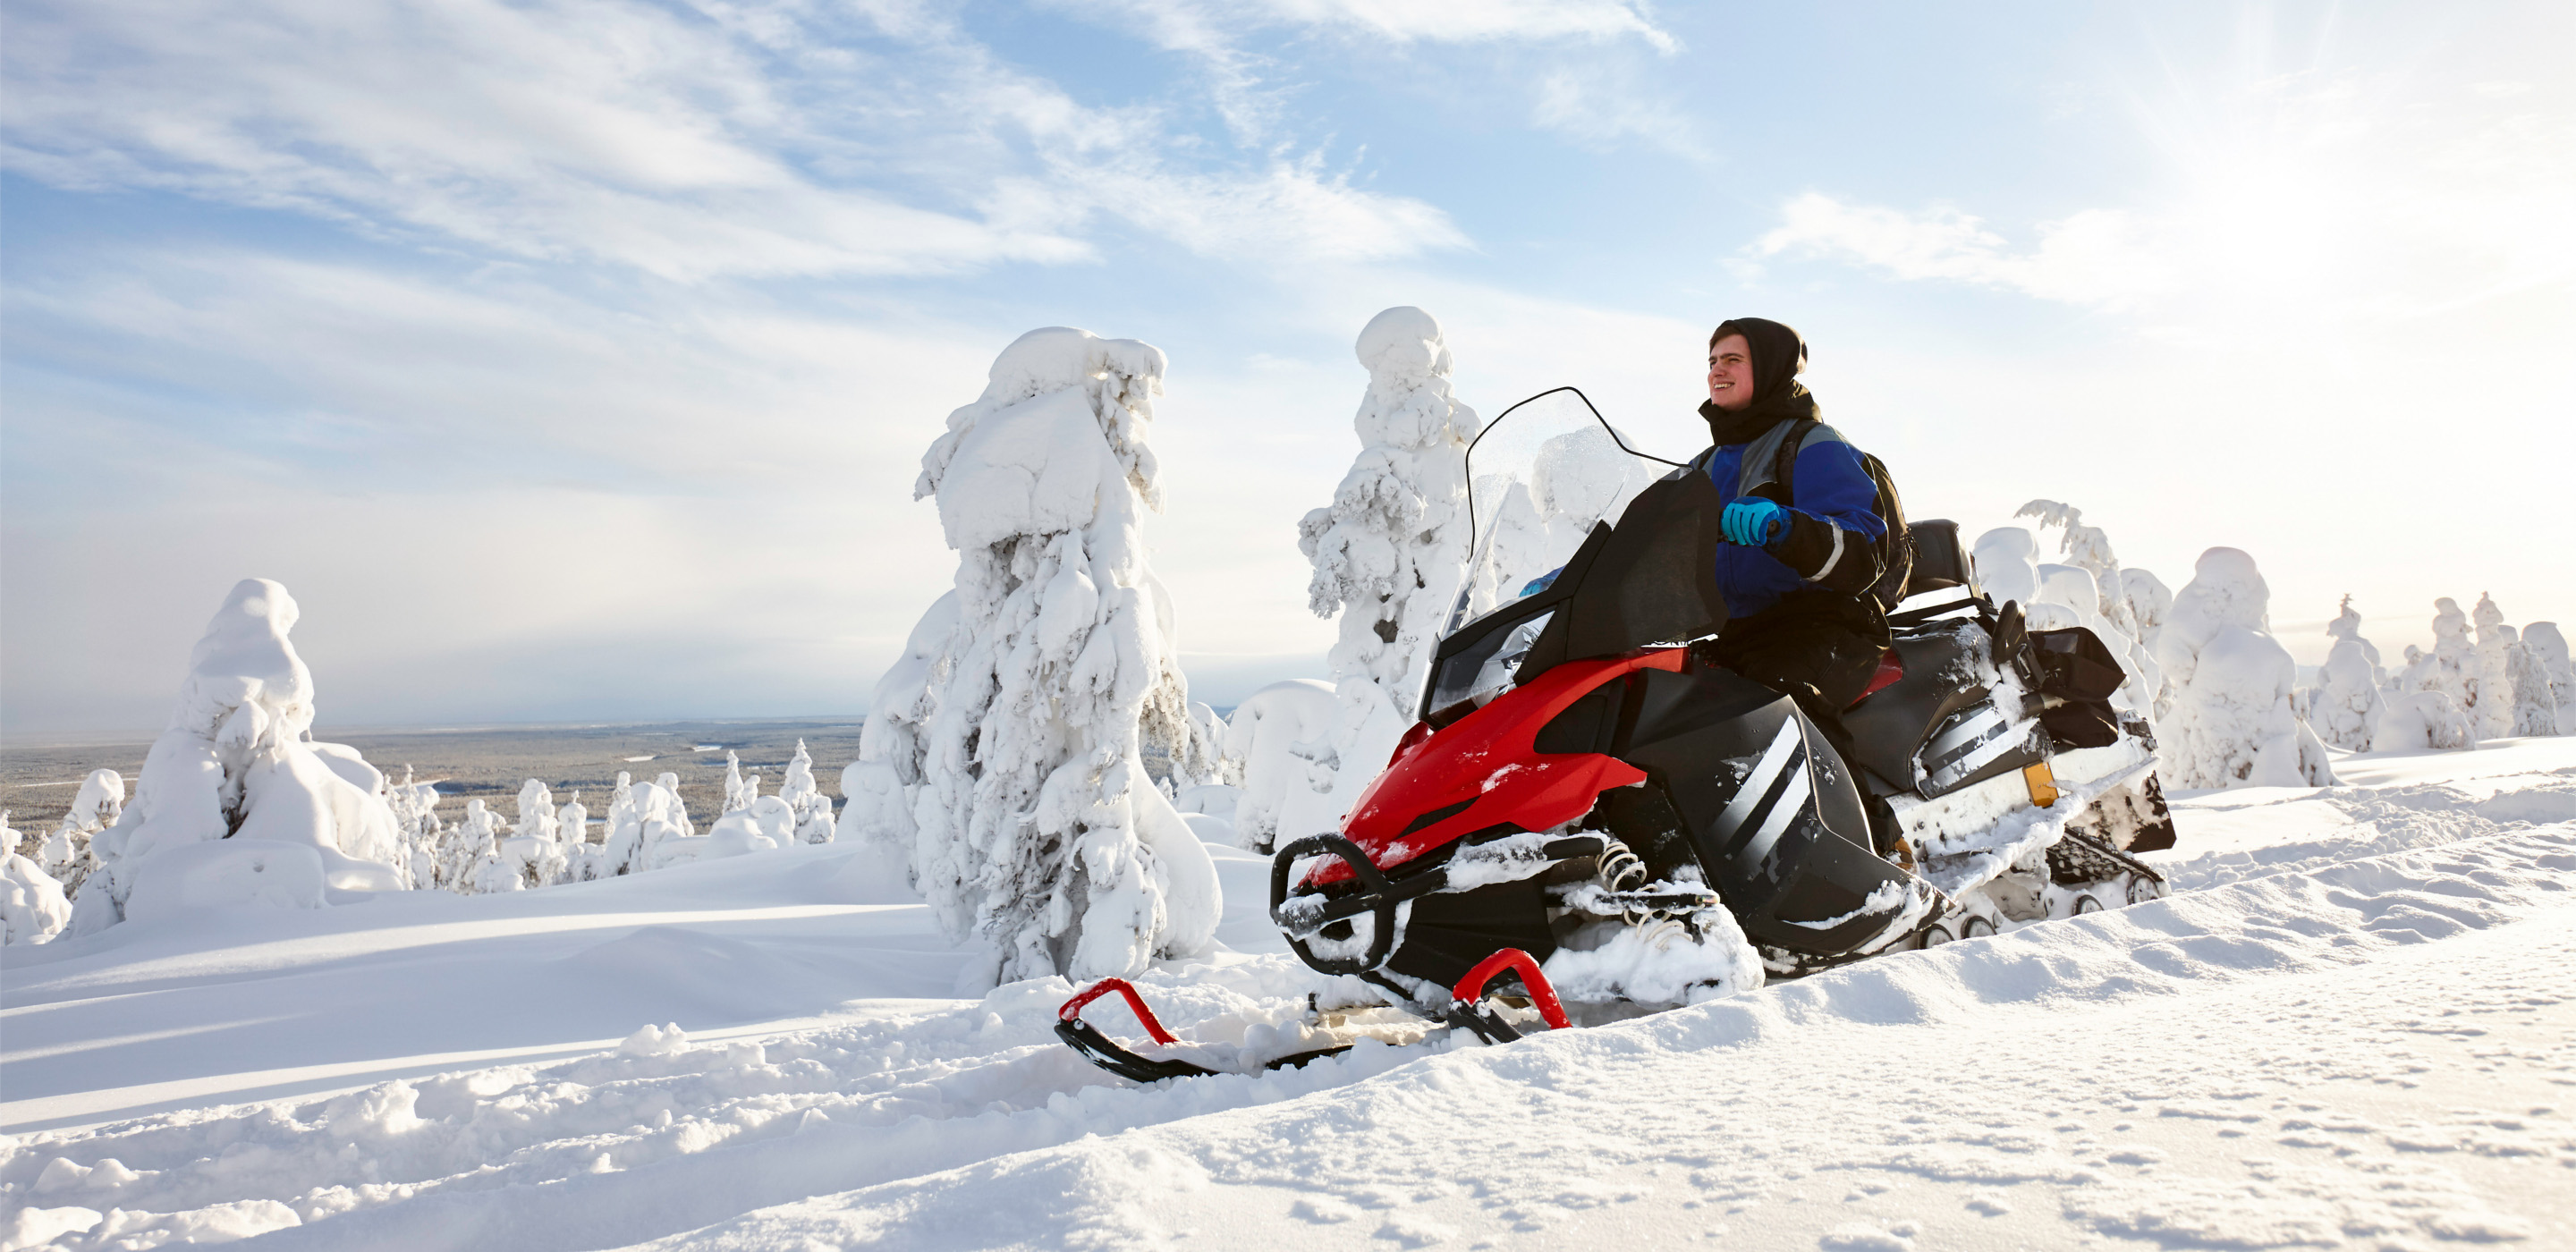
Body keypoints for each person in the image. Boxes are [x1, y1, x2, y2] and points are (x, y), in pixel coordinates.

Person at [1691, 317, 1893, 723]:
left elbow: (1864, 551)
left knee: (1774, 714)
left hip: (1824, 628)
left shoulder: (1812, 443)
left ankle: (1850, 788)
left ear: (1770, 369)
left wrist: (1784, 527)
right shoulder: (1703, 467)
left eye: (1733, 359)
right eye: (1712, 360)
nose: (1717, 369)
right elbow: (1645, 535)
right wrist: (1569, 579)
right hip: (1739, 634)